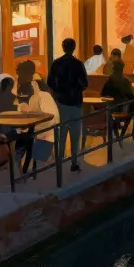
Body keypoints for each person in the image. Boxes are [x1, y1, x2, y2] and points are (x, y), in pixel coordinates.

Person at [46, 37, 89, 172]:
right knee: (75, 134)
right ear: (74, 48)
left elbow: (50, 83)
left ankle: (59, 160)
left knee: (62, 133)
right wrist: (75, 89)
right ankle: (74, 162)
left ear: (63, 48)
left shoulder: (56, 63)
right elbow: (85, 84)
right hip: (75, 102)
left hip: (61, 102)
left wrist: (57, 94)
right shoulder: (78, 64)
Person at [101, 60, 134, 139]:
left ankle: (130, 131)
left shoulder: (109, 80)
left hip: (111, 109)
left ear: (113, 69)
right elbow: (131, 96)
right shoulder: (125, 81)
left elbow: (102, 93)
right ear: (122, 69)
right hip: (123, 110)